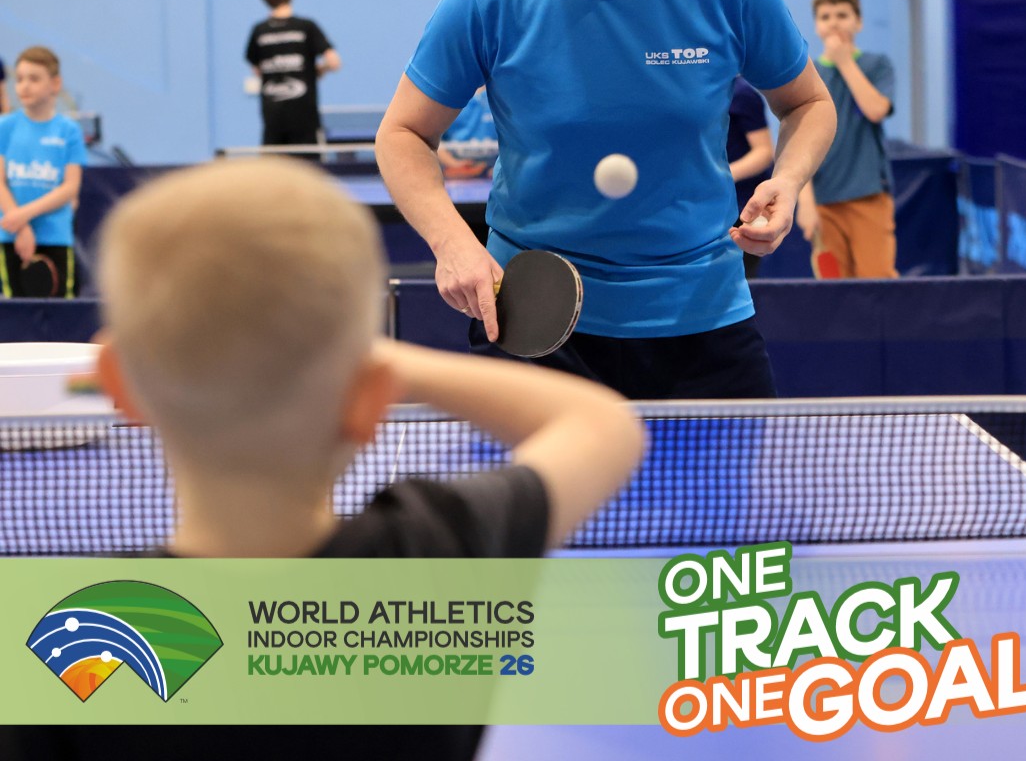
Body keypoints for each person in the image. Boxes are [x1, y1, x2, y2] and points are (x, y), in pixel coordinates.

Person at [0, 156, 643, 759]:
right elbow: (599, 423)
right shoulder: (432, 565)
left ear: (119, 386)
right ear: (370, 395)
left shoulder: (81, 643)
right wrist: (363, 362)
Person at [376, 0, 836, 400]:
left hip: (701, 316)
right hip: (533, 318)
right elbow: (402, 134)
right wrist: (453, 243)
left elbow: (809, 103)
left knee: (728, 476)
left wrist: (786, 182)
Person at [796, 0, 897, 278]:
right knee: (834, 291)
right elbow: (799, 142)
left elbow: (876, 110)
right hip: (824, 201)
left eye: (842, 15)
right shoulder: (808, 73)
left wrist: (843, 61)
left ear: (859, 22)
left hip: (868, 195)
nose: (834, 23)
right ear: (817, 26)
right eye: (825, 17)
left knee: (877, 285)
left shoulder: (877, 65)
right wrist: (805, 202)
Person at [0, 46, 86, 297]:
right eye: (20, 79)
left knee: (62, 314)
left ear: (55, 84)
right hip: (11, 237)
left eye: (34, 79)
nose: (24, 86)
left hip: (55, 236)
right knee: (14, 316)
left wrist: (23, 215)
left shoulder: (69, 131)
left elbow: (70, 187)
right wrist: (20, 226)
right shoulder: (5, 127)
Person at [245, 0, 341, 148]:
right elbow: (334, 62)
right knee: (306, 165)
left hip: (273, 118)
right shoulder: (306, 27)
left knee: (273, 166)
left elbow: (256, 69)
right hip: (304, 119)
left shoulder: (259, 31)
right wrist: (319, 70)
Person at [727, 77, 776, 279]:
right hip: (704, 208)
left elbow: (764, 152)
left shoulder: (741, 93)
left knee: (739, 282)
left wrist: (722, 177)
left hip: (743, 211)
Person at [437, 86, 499, 179]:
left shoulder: (503, 95)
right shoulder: (445, 95)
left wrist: (499, 169)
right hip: (455, 173)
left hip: (495, 171)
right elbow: (429, 137)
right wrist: (453, 164)